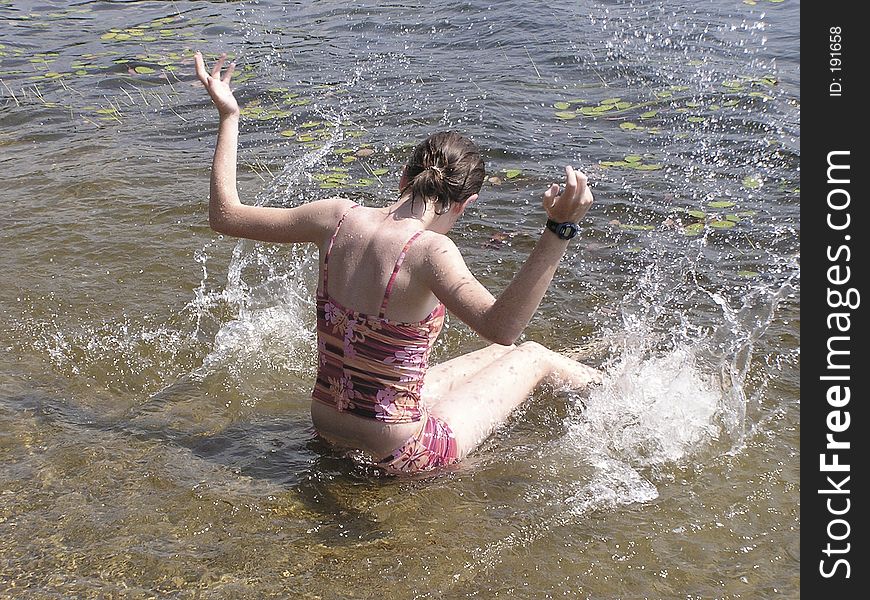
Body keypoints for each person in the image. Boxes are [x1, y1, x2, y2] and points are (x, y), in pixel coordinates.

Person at [195, 52, 601, 474]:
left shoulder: (335, 217)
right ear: (466, 205)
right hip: (401, 453)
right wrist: (559, 229)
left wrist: (229, 115)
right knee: (530, 354)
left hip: (328, 428)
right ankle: (625, 399)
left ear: (404, 177)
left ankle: (583, 368)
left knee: (501, 357)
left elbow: (225, 215)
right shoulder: (430, 251)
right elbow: (502, 326)